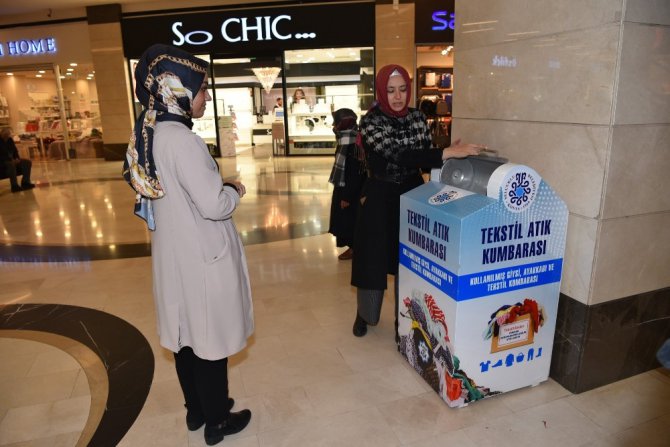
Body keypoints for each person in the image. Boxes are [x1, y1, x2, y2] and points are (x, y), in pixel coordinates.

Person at [122, 44, 253, 446]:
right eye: (201, 89)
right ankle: (217, 421)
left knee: (185, 338)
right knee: (209, 340)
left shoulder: (150, 134)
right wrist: (234, 191)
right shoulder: (182, 140)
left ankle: (196, 411)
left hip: (174, 254)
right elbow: (213, 205)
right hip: (201, 255)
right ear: (177, 90)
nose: (206, 96)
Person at [350, 64, 487, 339]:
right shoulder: (371, 121)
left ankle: (407, 316)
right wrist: (445, 152)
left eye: (402, 89)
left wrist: (442, 154)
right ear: (381, 91)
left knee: (409, 258)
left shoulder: (416, 117)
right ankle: (365, 313)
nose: (397, 96)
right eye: (390, 90)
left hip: (412, 193)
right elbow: (398, 153)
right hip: (378, 193)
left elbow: (422, 155)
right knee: (372, 258)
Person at [327, 108, 366, 261]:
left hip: (350, 190)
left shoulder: (353, 143)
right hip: (345, 187)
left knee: (350, 220)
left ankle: (354, 248)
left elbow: (355, 173)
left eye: (336, 122)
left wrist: (347, 197)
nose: (333, 125)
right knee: (347, 219)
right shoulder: (346, 139)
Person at [0, 127, 35, 193]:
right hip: (2, 162)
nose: (7, 137)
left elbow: (15, 151)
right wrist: (10, 160)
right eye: (5, 135)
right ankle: (14, 185)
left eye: (8, 135)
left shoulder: (10, 140)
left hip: (12, 160)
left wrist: (17, 158)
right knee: (11, 164)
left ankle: (25, 182)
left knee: (27, 162)